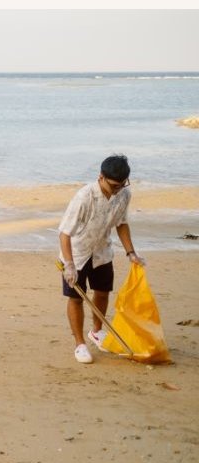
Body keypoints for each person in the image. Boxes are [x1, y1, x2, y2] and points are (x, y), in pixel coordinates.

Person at [58, 154, 146, 364]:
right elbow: (64, 233)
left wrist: (131, 253)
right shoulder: (84, 197)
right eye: (114, 185)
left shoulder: (124, 194)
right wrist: (69, 265)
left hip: (102, 251)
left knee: (103, 292)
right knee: (77, 297)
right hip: (77, 253)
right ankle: (80, 344)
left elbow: (121, 223)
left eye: (122, 185)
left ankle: (96, 332)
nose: (117, 190)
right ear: (101, 177)